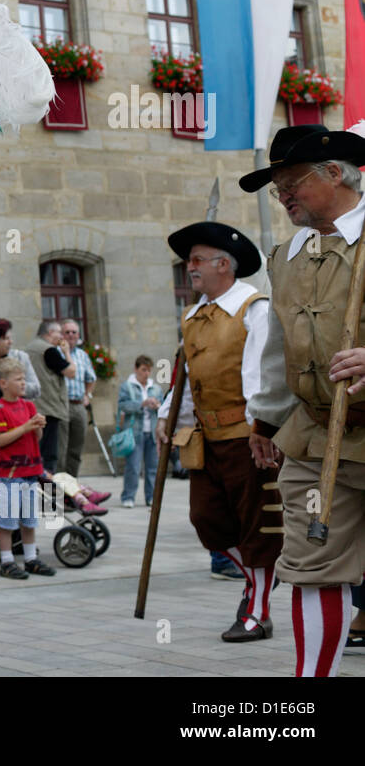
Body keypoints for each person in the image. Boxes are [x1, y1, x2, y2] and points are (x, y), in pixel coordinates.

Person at [243, 124, 365, 676]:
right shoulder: (285, 255)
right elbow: (277, 346)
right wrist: (265, 418)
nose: (284, 196)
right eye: (278, 189)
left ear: (335, 173)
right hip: (317, 436)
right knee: (312, 565)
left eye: (291, 182)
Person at [156, 220, 278, 642]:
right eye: (189, 261)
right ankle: (259, 580)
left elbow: (259, 376)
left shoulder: (254, 308)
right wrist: (170, 416)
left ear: (224, 264)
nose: (189, 267)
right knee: (206, 520)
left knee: (257, 528)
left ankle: (257, 610)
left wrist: (262, 429)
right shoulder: (193, 316)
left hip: (248, 438)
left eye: (196, 260)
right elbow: (186, 375)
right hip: (204, 440)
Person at [0, 357, 56, 579]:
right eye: (18, 379)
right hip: (9, 475)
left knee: (29, 519)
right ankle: (6, 562)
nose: (23, 383)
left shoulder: (28, 405)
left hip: (29, 473)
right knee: (7, 521)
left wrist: (37, 426)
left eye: (24, 378)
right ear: (3, 383)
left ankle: (30, 559)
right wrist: (25, 426)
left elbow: (37, 436)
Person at [23, 320, 75, 473]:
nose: (62, 336)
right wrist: (66, 352)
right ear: (50, 333)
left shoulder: (29, 348)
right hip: (50, 407)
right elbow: (71, 371)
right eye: (59, 332)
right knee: (50, 454)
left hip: (34, 406)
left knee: (37, 451)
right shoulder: (48, 350)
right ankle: (49, 489)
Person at [117, 356, 161, 508]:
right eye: (143, 369)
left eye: (149, 370)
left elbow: (163, 407)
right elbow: (122, 405)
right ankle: (128, 496)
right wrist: (142, 404)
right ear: (136, 369)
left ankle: (151, 497)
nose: (146, 373)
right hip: (134, 433)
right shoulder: (127, 386)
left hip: (153, 432)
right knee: (133, 467)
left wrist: (157, 405)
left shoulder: (155, 388)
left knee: (152, 468)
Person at [60, 320, 98, 477]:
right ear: (62, 335)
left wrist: (87, 395)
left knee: (76, 449)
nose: (71, 335)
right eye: (67, 332)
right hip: (61, 406)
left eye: (74, 332)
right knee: (60, 449)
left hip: (78, 406)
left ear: (79, 335)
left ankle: (72, 485)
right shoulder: (55, 352)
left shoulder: (83, 355)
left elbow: (91, 378)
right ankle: (57, 489)